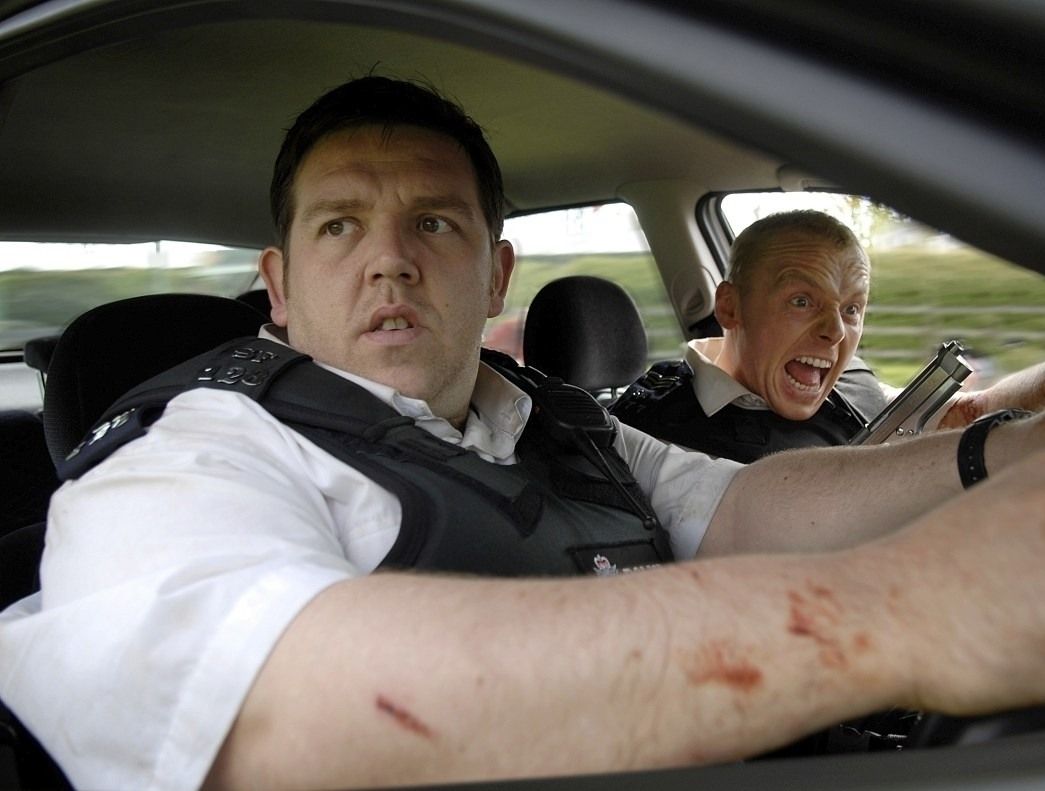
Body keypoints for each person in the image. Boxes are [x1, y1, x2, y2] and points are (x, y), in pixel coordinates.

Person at [0, 76, 1043, 791]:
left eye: (434, 222)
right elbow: (267, 711)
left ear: (496, 273)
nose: (389, 259)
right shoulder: (178, 466)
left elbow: (739, 507)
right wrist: (900, 615)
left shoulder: (554, 418)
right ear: (277, 284)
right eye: (340, 224)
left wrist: (1002, 453)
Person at [610, 210, 1045, 461]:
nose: (836, 331)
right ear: (730, 307)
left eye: (852, 309)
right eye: (802, 301)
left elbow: (970, 413)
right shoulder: (650, 433)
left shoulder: (852, 383)